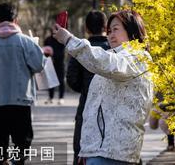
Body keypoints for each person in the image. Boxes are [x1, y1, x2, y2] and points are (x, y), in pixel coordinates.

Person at [53, 9, 153, 165]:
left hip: (114, 153)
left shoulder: (137, 57)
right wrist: (87, 149)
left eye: (116, 29)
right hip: (99, 151)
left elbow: (109, 64)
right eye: (109, 30)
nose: (110, 35)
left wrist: (69, 40)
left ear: (132, 31)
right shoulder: (118, 56)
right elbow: (94, 109)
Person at [0, 3, 46, 165]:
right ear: (16, 19)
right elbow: (39, 65)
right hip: (20, 101)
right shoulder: (25, 42)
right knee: (22, 142)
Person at [66, 10, 111, 165]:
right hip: (110, 107)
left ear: (86, 28)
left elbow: (71, 79)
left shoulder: (81, 49)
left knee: (81, 151)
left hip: (86, 105)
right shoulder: (113, 49)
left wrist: (86, 90)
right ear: (106, 26)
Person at [44, 28, 66, 105]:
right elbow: (45, 51)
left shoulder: (61, 40)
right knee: (50, 80)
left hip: (59, 62)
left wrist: (55, 56)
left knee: (61, 80)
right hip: (50, 62)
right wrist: (48, 57)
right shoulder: (48, 40)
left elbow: (62, 52)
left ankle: (61, 98)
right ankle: (50, 97)